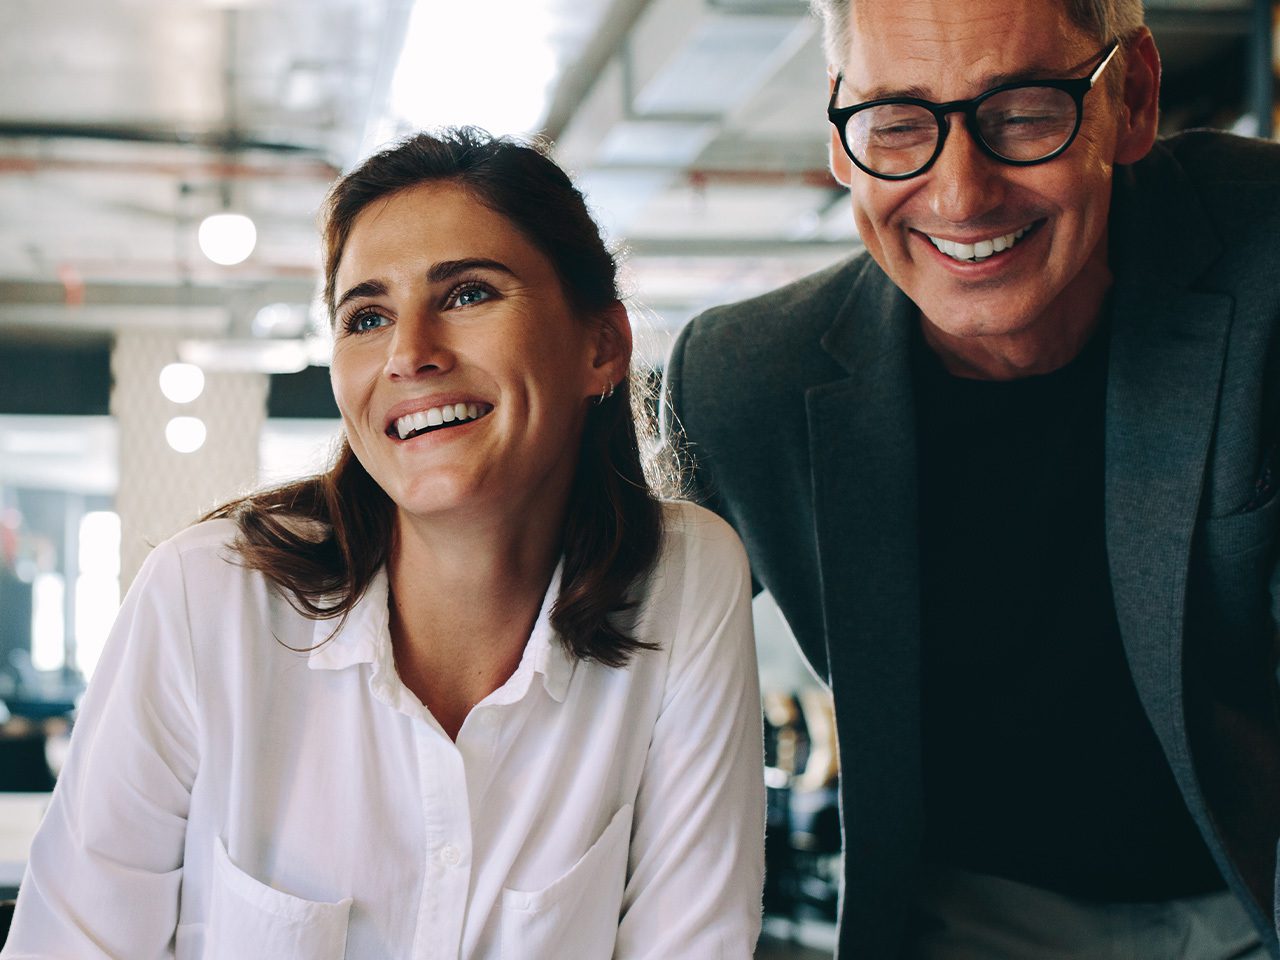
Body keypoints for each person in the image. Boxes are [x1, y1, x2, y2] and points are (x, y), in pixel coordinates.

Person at [4, 128, 764, 959]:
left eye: (469, 294)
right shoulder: (205, 597)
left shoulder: (683, 580)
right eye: (365, 317)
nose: (409, 354)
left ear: (601, 345)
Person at [664, 0, 1280, 956]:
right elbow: (580, 619)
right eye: (899, 124)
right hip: (965, 912)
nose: (960, 197)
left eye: (1025, 112)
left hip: (1254, 883)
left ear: (1136, 97)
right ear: (842, 133)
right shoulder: (748, 380)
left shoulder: (1270, 259)